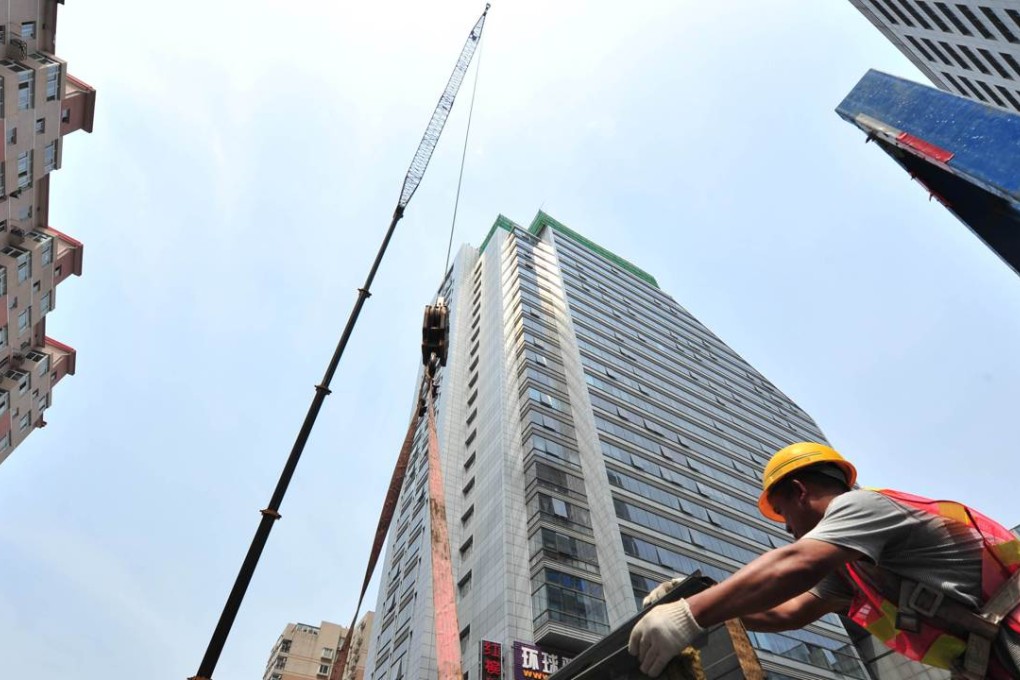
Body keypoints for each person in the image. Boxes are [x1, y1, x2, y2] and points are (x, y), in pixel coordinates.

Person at [627, 442, 1020, 679]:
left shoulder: (861, 506)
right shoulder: (852, 569)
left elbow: (797, 563)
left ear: (799, 491)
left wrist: (690, 612)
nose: (788, 530)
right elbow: (788, 613)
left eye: (783, 513)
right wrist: (703, 601)